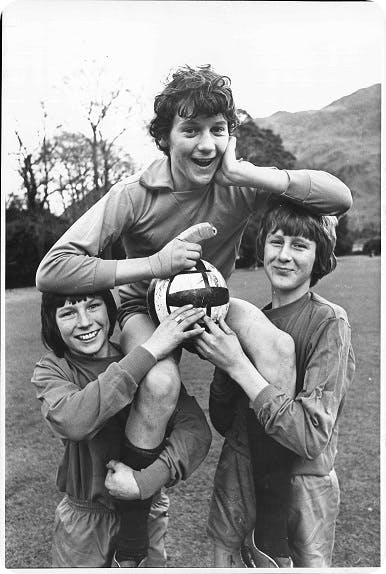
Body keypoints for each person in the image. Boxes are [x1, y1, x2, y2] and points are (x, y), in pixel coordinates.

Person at [35, 65, 352, 558]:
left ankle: (270, 526)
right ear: (165, 137)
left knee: (276, 345)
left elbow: (340, 197)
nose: (206, 144)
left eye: (218, 130)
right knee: (159, 381)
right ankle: (134, 538)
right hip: (146, 308)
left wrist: (247, 172)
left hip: (213, 302)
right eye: (191, 130)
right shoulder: (134, 194)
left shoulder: (238, 185)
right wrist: (153, 264)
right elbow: (52, 269)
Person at [194, 201, 355, 568]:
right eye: (276, 241)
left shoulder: (329, 322)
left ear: (320, 256)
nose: (283, 256)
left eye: (299, 246)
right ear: (262, 246)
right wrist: (224, 362)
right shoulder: (253, 320)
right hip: (239, 473)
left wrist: (238, 364)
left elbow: (310, 438)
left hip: (302, 487)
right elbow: (223, 421)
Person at [31, 290, 211, 567]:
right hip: (86, 522)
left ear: (109, 309)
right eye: (68, 313)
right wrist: (148, 352)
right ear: (52, 322)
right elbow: (72, 421)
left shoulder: (144, 364)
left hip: (145, 513)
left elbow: (195, 430)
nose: (84, 321)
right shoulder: (54, 369)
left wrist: (145, 482)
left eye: (93, 306)